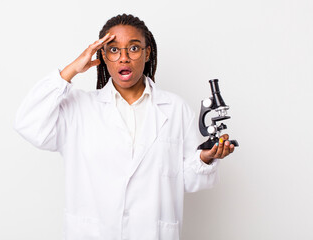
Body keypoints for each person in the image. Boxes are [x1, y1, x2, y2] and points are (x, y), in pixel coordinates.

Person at [14, 13, 234, 240]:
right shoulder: (79, 109)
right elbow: (28, 123)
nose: (124, 58)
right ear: (103, 55)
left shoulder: (175, 109)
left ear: (147, 53)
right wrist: (72, 69)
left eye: (134, 48)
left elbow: (188, 181)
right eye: (113, 49)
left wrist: (205, 158)